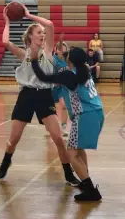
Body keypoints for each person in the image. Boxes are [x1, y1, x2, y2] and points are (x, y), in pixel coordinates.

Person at [0, 4, 79, 186]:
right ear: (30, 37)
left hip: (44, 96)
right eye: (38, 33)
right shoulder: (23, 53)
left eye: (42, 33)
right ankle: (7, 159)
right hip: (26, 96)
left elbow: (50, 24)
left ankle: (68, 172)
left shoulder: (48, 51)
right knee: (13, 139)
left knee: (58, 138)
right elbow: (4, 42)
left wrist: (28, 15)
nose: (42, 34)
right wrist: (7, 22)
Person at [30, 46, 104, 201]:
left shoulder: (68, 75)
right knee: (78, 150)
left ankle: (90, 190)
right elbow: (61, 87)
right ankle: (86, 180)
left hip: (84, 115)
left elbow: (43, 77)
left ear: (70, 59)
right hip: (96, 112)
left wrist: (34, 60)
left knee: (71, 154)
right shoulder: (82, 70)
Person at [52, 38, 70, 136]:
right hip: (52, 87)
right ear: (56, 50)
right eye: (58, 48)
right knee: (51, 109)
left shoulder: (68, 60)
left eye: (62, 48)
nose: (60, 50)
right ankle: (50, 126)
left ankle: (63, 127)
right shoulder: (53, 59)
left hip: (63, 87)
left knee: (64, 105)